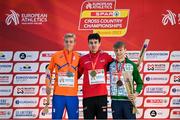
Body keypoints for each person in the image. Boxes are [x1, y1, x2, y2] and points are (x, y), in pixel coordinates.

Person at [78, 33, 113, 119]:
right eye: (91, 43)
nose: (93, 45)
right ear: (88, 44)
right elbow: (76, 75)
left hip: (101, 96)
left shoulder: (106, 56)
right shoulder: (83, 59)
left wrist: (129, 63)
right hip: (87, 96)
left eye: (95, 42)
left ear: (99, 43)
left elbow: (117, 66)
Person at [45, 33, 80, 119]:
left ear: (74, 43)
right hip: (58, 95)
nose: (68, 43)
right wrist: (47, 84)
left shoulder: (78, 56)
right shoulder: (56, 55)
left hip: (72, 95)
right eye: (66, 41)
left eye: (71, 42)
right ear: (64, 42)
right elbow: (48, 71)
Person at [109, 41, 143, 119]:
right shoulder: (111, 65)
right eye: (116, 50)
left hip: (128, 101)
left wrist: (135, 94)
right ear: (114, 51)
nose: (118, 52)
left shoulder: (132, 65)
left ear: (125, 50)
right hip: (115, 101)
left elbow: (139, 83)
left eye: (121, 50)